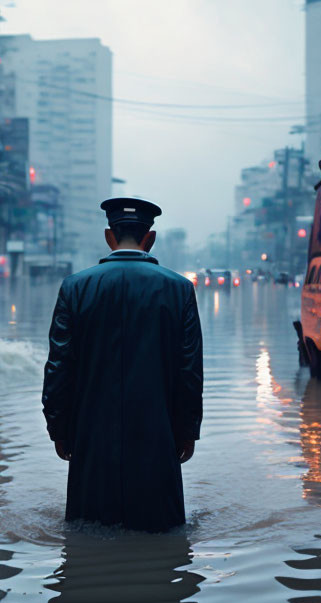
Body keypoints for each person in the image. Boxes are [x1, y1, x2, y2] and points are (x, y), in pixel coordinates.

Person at [41, 197, 203, 532]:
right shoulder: (180, 290)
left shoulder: (75, 288)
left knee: (88, 534)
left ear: (108, 236)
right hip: (158, 443)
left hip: (91, 444)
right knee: (162, 539)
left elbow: (58, 368)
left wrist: (59, 429)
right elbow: (190, 372)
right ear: (151, 238)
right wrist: (187, 432)